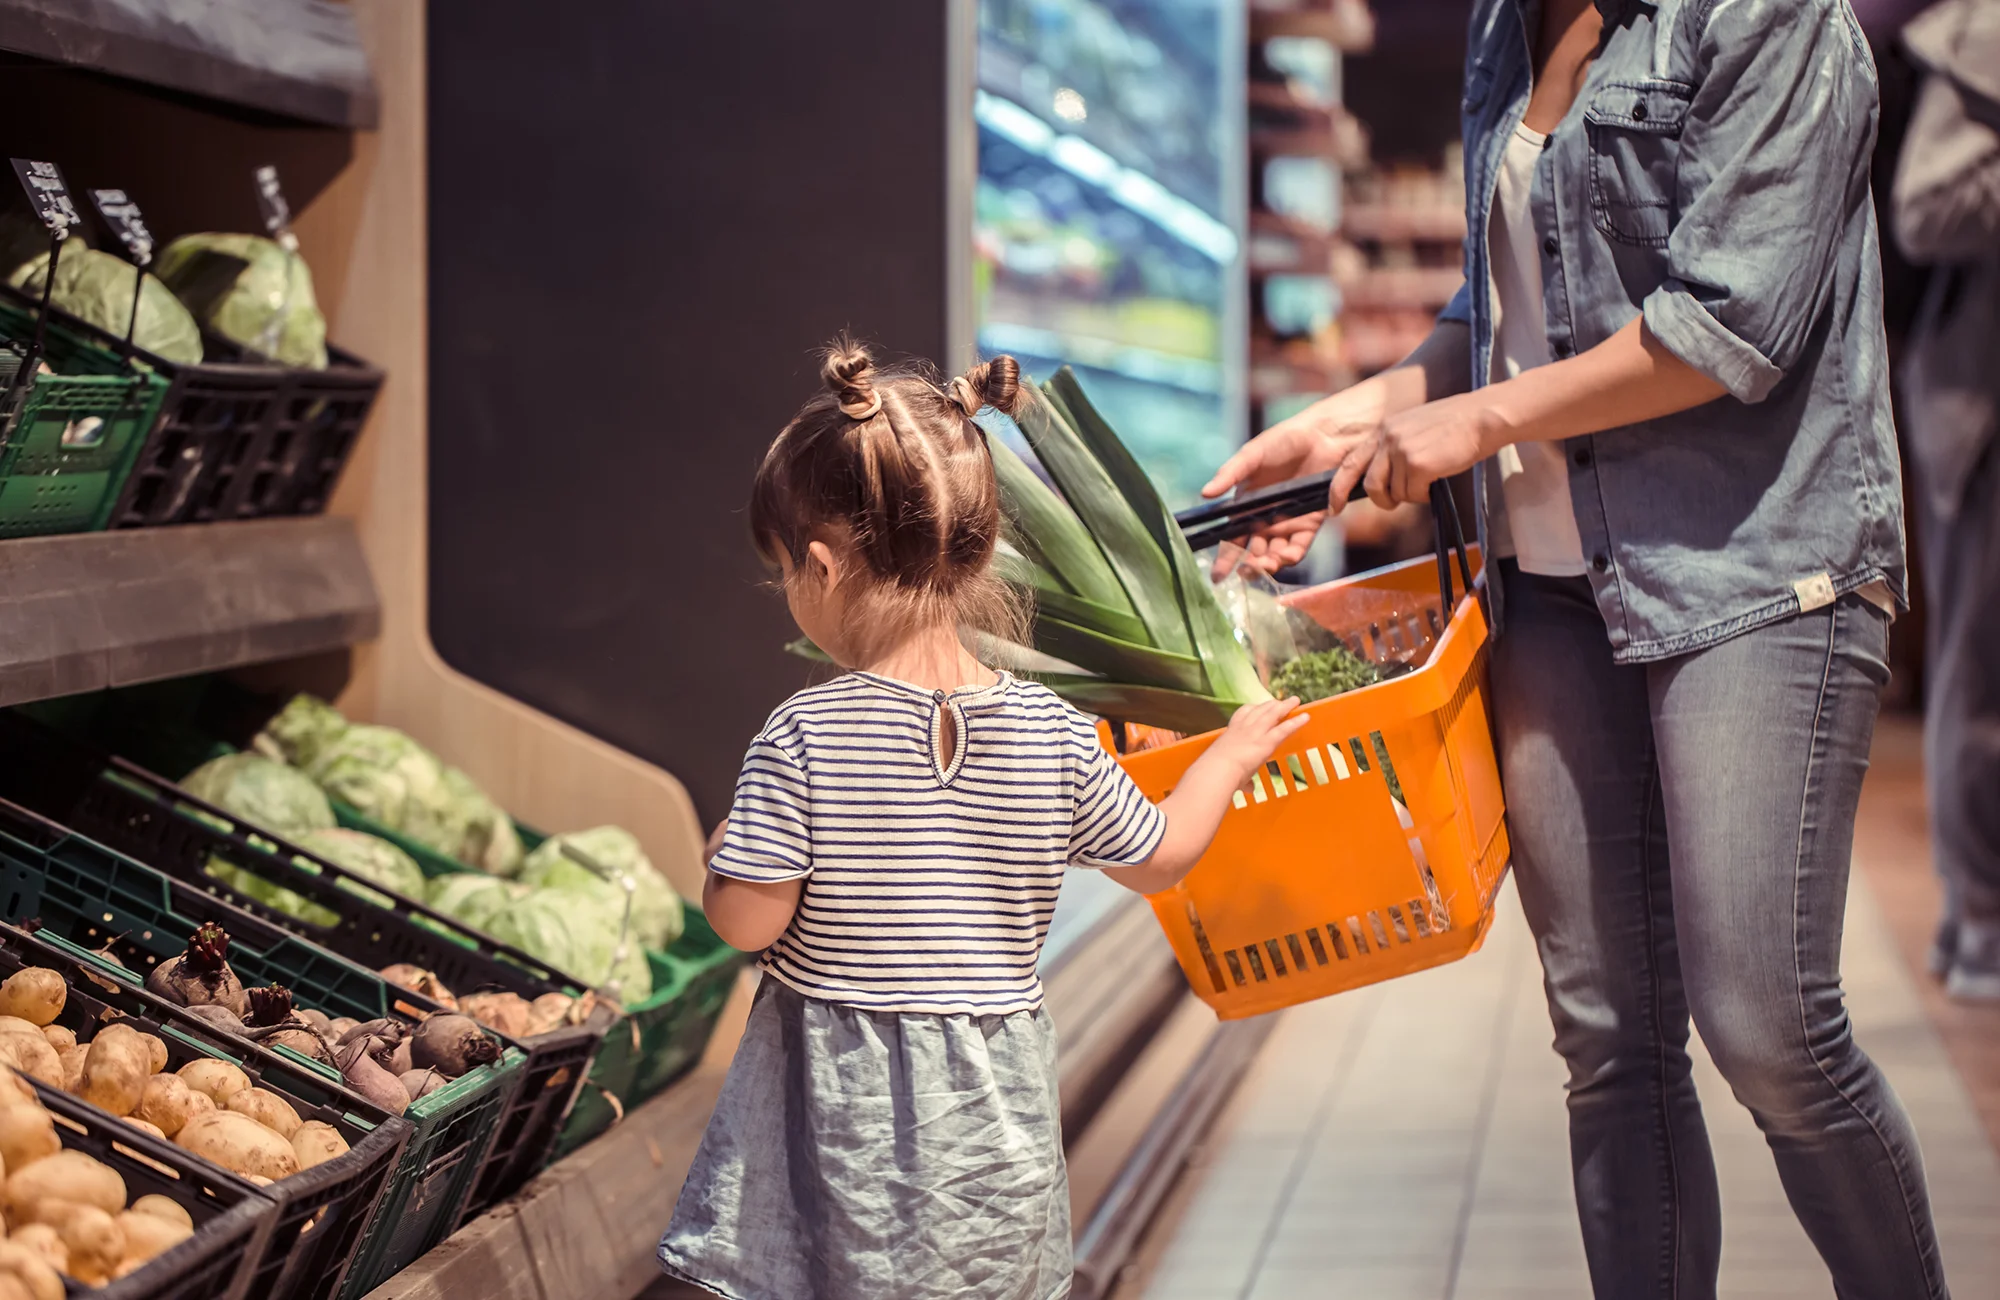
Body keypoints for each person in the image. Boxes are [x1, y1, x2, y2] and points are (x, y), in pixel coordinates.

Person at [1204, 0, 1949, 1295]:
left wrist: (1479, 423)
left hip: (1758, 575)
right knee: (1611, 1042)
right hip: (1550, 592)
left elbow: (1735, 325)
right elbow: (1501, 307)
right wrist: (1347, 423)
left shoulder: (1765, 17)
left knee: (1768, 1026)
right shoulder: (1511, 20)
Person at [655, 340, 1309, 1300]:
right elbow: (1162, 857)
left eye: (785, 570)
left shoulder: (802, 733)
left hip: (843, 1138)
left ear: (824, 566)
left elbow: (747, 920)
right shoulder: (1054, 729)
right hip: (989, 1143)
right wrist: (1230, 753)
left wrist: (727, 861)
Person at [1891, 0, 2000, 1001]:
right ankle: (1979, 916)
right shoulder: (1979, 33)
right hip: (1980, 406)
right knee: (1979, 672)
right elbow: (1921, 212)